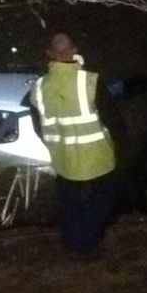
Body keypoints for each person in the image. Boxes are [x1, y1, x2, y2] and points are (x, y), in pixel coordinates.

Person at [30, 32, 119, 254]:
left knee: (69, 202)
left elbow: (37, 125)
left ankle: (71, 240)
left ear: (50, 54)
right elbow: (113, 120)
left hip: (63, 159)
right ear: (75, 50)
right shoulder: (91, 81)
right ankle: (83, 243)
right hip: (98, 158)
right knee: (101, 200)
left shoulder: (38, 88)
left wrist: (55, 143)